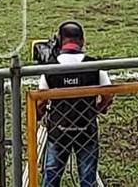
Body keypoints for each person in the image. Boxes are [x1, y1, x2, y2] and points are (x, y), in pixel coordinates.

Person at [37, 22, 113, 187]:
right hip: (86, 129)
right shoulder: (94, 66)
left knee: (51, 176)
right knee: (87, 178)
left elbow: (41, 100)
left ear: (60, 40)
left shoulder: (51, 67)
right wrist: (97, 109)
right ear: (82, 41)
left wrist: (39, 114)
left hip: (58, 130)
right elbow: (108, 94)